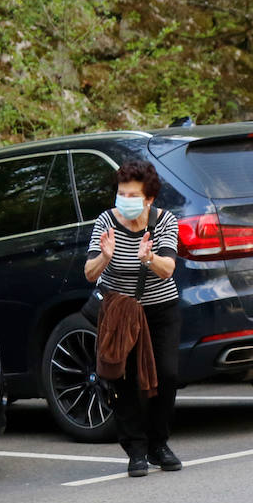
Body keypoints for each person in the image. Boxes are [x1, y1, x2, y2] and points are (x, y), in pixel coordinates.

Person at [84, 159, 183, 477]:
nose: (124, 200)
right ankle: (136, 450)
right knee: (124, 379)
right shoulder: (105, 222)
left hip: (160, 309)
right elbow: (89, 273)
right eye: (121, 193)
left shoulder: (165, 222)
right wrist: (105, 256)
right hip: (121, 312)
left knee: (166, 376)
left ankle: (159, 443)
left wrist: (149, 257)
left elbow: (168, 269)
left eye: (132, 195)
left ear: (149, 198)